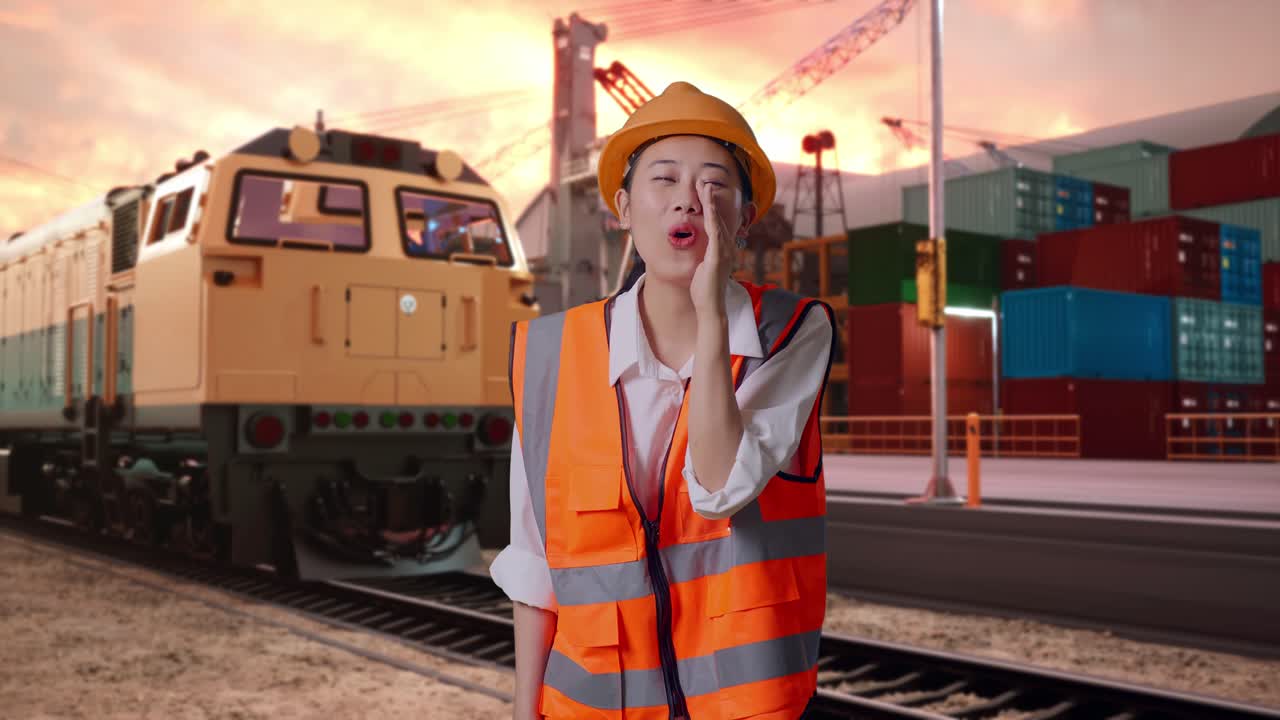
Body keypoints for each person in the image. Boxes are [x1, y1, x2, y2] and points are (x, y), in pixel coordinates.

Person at [492, 81, 836, 720]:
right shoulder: (548, 357)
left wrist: (711, 316)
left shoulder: (790, 333)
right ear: (623, 208)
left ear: (745, 218)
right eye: (665, 180)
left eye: (714, 185)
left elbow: (720, 486)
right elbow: (536, 565)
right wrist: (522, 711)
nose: (689, 202)